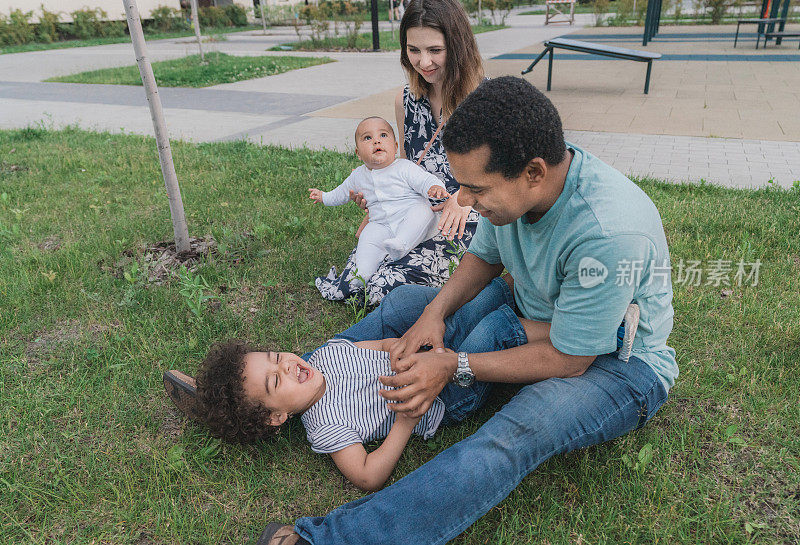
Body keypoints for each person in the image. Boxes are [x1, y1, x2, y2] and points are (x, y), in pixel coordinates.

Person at [256, 76, 678, 545]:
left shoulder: (608, 233)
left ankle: (331, 539)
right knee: (409, 303)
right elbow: (484, 256)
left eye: (475, 190)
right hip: (525, 310)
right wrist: (433, 314)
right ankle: (255, 390)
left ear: (533, 173)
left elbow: (569, 358)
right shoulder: (520, 180)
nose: (463, 202)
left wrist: (454, 364)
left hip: (618, 364)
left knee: (517, 431)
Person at [315, 0, 483, 306]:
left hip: (460, 220)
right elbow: (404, 164)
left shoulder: (486, 100)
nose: (424, 62)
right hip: (409, 215)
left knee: (384, 288)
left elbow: (505, 176)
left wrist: (464, 197)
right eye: (413, 50)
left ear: (458, 47)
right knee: (357, 281)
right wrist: (381, 200)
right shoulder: (406, 100)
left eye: (435, 50)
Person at [309, 117, 448, 285]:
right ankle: (362, 273)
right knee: (368, 237)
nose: (376, 141)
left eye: (383, 135)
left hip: (410, 216)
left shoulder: (404, 167)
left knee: (423, 210)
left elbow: (424, 179)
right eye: (368, 138)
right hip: (381, 223)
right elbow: (341, 193)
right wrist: (324, 196)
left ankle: (402, 244)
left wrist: (434, 186)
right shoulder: (358, 176)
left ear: (396, 146)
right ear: (358, 154)